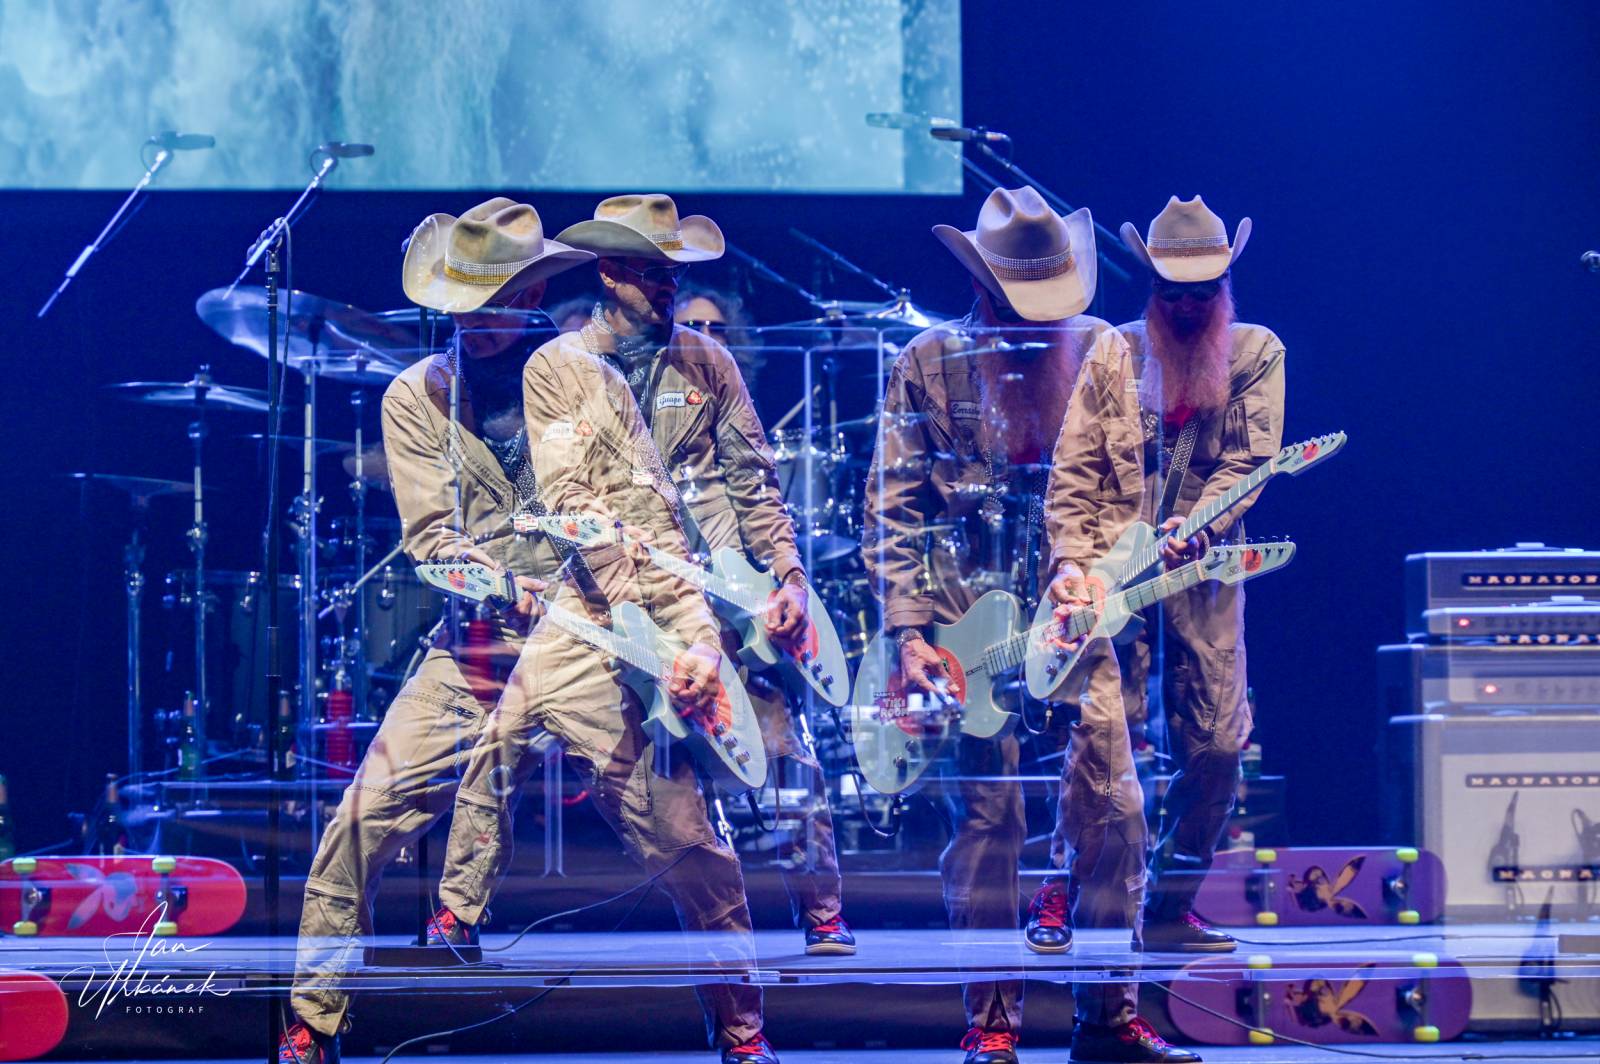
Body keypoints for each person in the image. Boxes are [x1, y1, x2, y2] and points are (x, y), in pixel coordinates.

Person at [865, 186, 1186, 1064]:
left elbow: (1131, 493)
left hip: (1077, 613)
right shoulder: (927, 362)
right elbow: (892, 509)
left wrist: (1097, 574)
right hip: (967, 613)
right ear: (984, 287)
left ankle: (1108, 1014)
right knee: (989, 821)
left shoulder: (1102, 354)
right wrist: (909, 633)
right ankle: (992, 1018)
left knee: (1115, 809)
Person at [281, 197, 590, 1062]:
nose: (480, 323)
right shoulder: (416, 397)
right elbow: (432, 546)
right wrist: (504, 586)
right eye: (465, 304)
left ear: (531, 296)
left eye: (498, 302)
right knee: (362, 814)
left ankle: (745, 1031)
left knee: (682, 834)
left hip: (600, 649)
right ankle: (313, 1016)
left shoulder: (583, 380)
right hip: (478, 650)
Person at [557, 194, 853, 957]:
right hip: (627, 611)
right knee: (673, 799)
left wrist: (787, 575)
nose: (669, 286)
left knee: (788, 756)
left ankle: (822, 912)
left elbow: (755, 482)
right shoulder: (568, 367)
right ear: (612, 273)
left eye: (673, 272)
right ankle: (724, 955)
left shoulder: (707, 361)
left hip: (726, 596)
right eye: (654, 272)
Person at [1045, 196, 1283, 963]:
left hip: (1204, 567)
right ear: (1151, 288)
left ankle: (1176, 897)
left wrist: (1200, 527)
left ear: (1225, 289)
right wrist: (1069, 565)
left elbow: (1253, 465)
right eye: (1171, 294)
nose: (1185, 308)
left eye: (1201, 294)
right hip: (1111, 571)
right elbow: (1074, 465)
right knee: (1101, 741)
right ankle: (1063, 888)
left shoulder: (1256, 353)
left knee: (1216, 742)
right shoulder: (1111, 352)